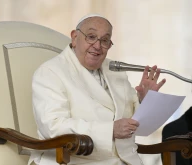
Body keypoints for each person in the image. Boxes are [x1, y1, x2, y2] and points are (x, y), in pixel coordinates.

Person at [29, 14, 166, 165]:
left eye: (105, 40)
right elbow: (53, 126)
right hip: (76, 160)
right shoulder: (51, 72)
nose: (97, 45)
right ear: (75, 38)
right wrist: (109, 130)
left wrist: (145, 101)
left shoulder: (115, 69)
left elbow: (132, 125)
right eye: (91, 36)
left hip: (126, 160)